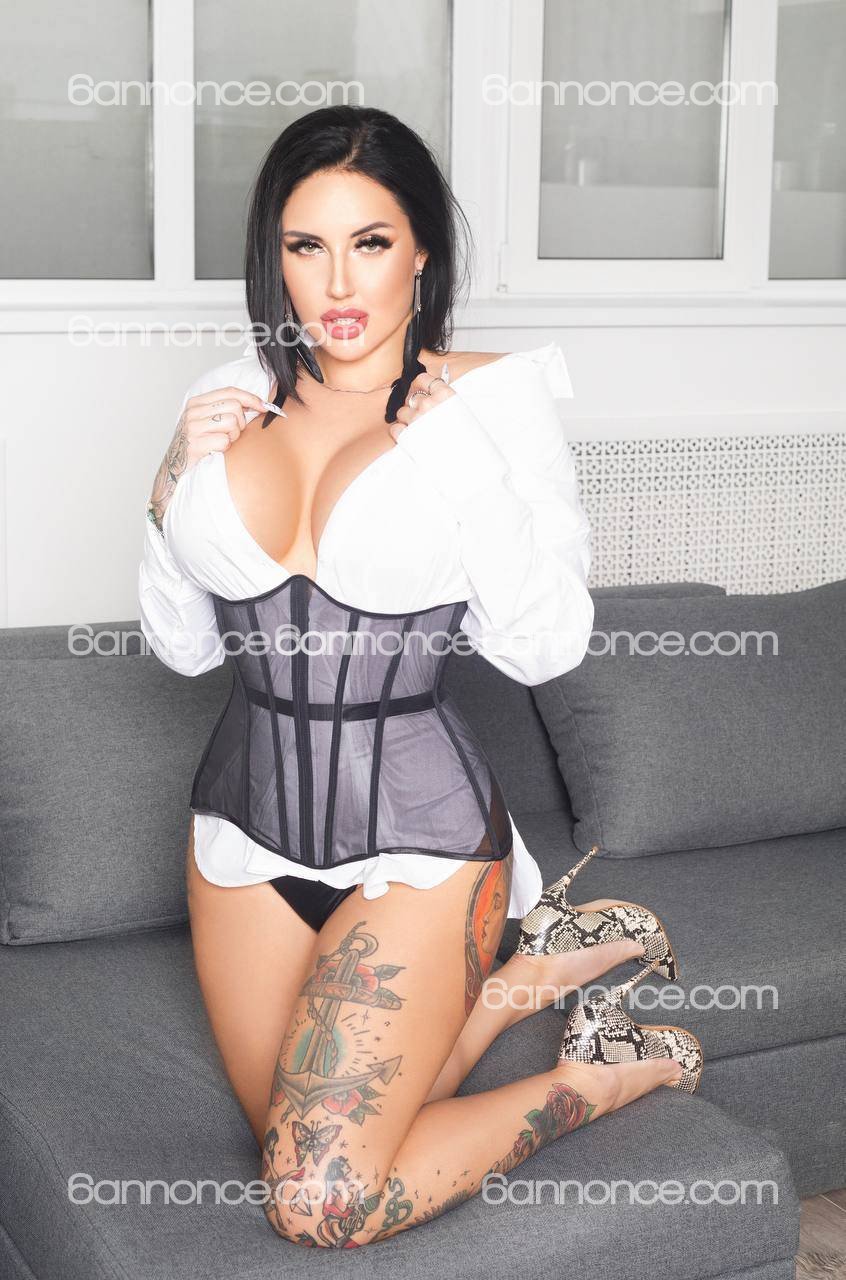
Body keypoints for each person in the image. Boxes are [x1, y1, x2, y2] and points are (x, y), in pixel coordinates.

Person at [138, 104, 688, 1249]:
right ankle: (529, 976)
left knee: (320, 1194)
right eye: (306, 245)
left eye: (371, 241)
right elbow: (185, 646)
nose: (337, 281)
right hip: (239, 839)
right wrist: (167, 484)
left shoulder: (490, 401)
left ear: (422, 250)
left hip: (421, 846)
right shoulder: (230, 391)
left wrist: (465, 468)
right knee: (301, 1134)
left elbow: (543, 645)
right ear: (274, 254)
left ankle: (602, 1075)